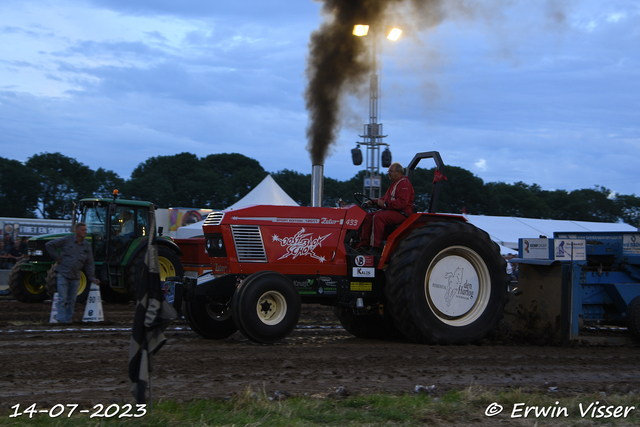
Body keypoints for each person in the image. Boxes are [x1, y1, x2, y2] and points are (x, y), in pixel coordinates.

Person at [45, 222, 100, 324]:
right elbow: (49, 244)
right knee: (62, 298)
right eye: (83, 230)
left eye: (85, 230)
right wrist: (57, 258)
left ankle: (68, 320)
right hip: (63, 273)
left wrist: (92, 277)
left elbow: (89, 263)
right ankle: (62, 321)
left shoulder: (86, 246)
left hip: (76, 276)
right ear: (77, 231)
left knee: (72, 300)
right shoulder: (67, 240)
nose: (85, 232)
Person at [358, 162, 415, 254]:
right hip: (392, 211)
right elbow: (384, 199)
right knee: (368, 216)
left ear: (399, 172)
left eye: (391, 171)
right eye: (388, 171)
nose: (388, 173)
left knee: (378, 217)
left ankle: (376, 247)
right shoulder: (394, 184)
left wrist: (386, 204)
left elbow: (402, 203)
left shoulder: (404, 184)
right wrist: (372, 202)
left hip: (401, 213)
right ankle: (364, 245)